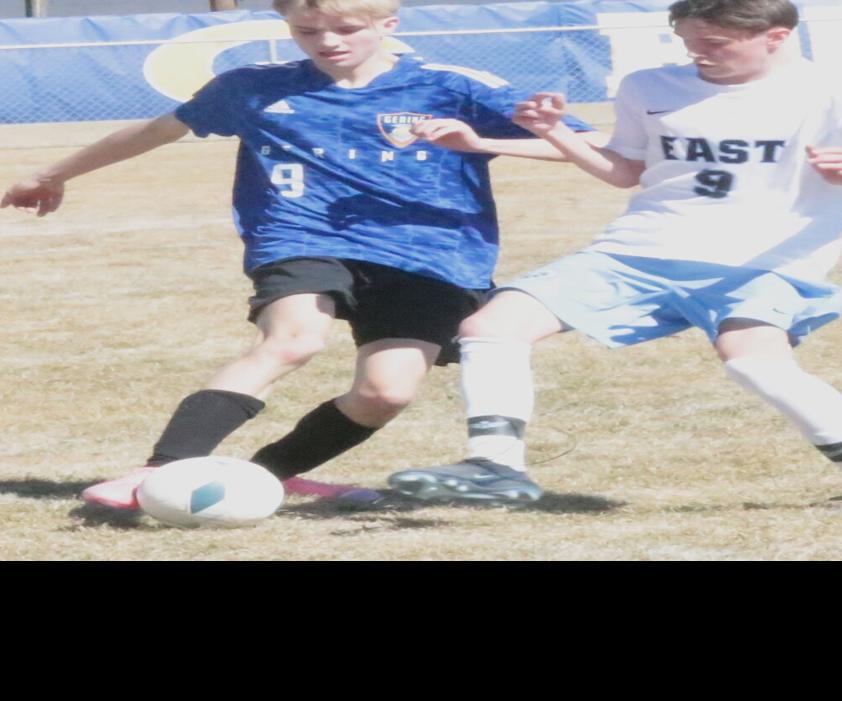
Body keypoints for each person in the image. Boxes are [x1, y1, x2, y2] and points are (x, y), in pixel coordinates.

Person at [1, 0, 593, 509]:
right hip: (301, 236)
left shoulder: (455, 87)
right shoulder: (252, 87)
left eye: (346, 29)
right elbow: (157, 131)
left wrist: (484, 142)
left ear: (386, 23)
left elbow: (591, 146)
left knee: (386, 392)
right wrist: (52, 173)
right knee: (292, 339)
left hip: (433, 254)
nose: (328, 42)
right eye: (308, 31)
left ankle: (264, 477)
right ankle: (163, 470)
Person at [385, 0, 842, 513]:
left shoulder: (836, 90)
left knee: (752, 360)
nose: (698, 54)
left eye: (717, 43)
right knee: (491, 326)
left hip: (764, 261)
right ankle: (495, 466)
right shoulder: (649, 85)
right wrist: (552, 133)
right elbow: (626, 170)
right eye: (689, 41)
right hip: (643, 249)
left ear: (776, 36)